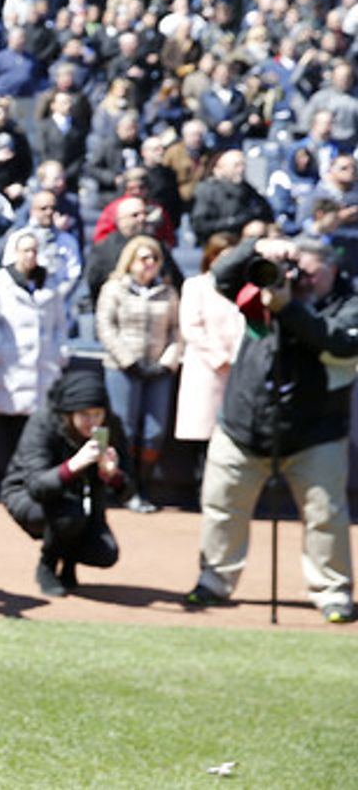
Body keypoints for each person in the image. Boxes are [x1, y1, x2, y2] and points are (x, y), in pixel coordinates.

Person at [185, 236, 357, 623]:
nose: (301, 280)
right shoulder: (264, 291)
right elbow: (221, 278)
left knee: (325, 515)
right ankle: (213, 581)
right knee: (222, 506)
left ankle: (333, 592)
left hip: (316, 432)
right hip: (243, 424)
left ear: (332, 268)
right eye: (297, 271)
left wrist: (289, 308)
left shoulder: (348, 301)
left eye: (310, 273)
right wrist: (258, 249)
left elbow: (338, 342)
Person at [1, 368, 127, 597]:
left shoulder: (111, 427)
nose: (93, 422)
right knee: (69, 515)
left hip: (81, 503)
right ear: (69, 413)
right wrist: (74, 464)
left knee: (105, 553)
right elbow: (36, 486)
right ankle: (47, 564)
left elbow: (129, 492)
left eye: (97, 414)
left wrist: (112, 475)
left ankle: (68, 563)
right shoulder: (43, 423)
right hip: (27, 495)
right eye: (85, 415)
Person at [95, 235, 181, 513]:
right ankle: (122, 486)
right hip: (122, 368)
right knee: (123, 429)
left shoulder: (168, 293)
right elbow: (105, 326)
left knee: (154, 433)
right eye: (144, 258)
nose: (150, 264)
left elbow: (178, 331)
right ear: (130, 261)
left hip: (158, 371)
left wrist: (166, 363)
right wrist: (129, 361)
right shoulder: (114, 288)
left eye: (154, 258)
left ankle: (142, 484)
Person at [174, 233, 245, 493]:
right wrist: (219, 358)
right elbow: (191, 327)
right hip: (205, 369)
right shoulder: (196, 285)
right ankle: (202, 489)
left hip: (237, 370)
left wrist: (238, 359)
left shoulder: (245, 288)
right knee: (205, 435)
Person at [0, 229, 68, 445]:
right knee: (12, 435)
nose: (30, 255)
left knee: (40, 434)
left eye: (34, 250)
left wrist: (60, 353)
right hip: (12, 368)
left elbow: (60, 324)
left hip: (44, 368)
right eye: (25, 250)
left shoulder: (50, 284)